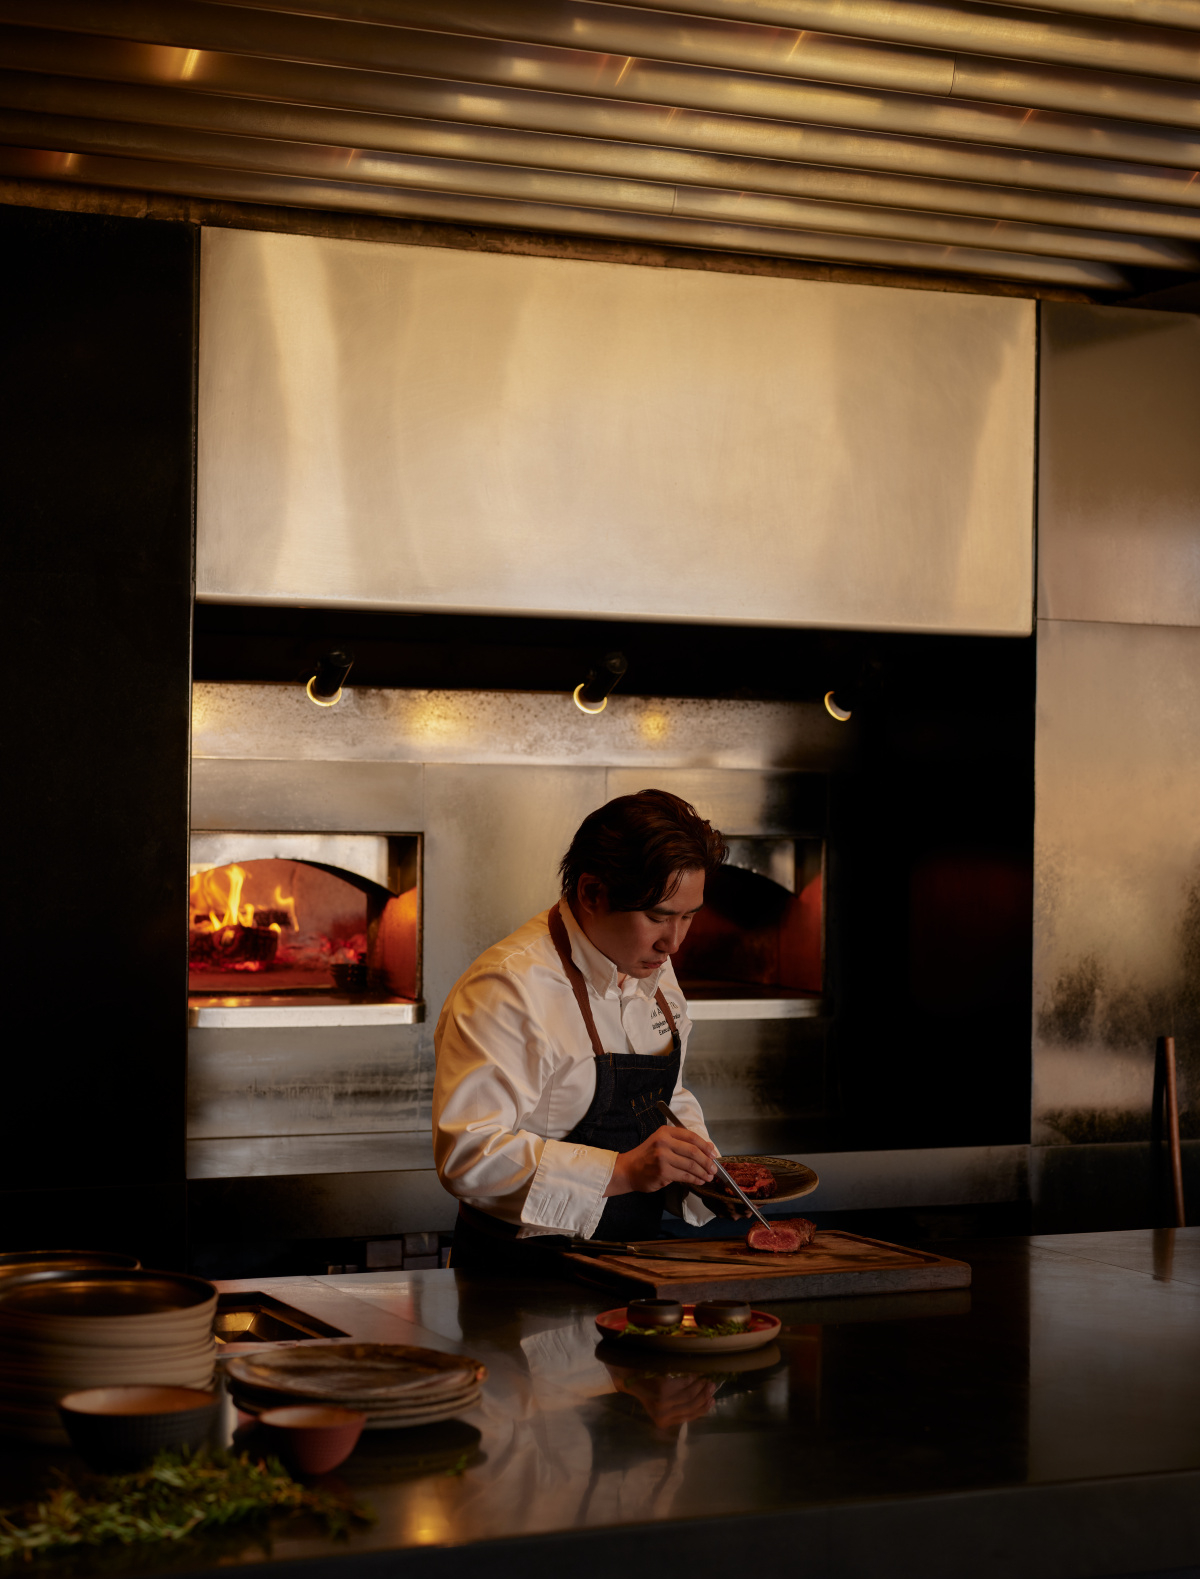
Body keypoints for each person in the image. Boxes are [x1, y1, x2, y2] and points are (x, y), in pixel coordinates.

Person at [433, 788, 731, 1271]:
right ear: (592, 893)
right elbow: (468, 1155)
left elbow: (666, 1098)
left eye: (688, 918)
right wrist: (623, 1170)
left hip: (633, 1265)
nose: (673, 941)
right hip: (519, 1278)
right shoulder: (509, 987)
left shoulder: (648, 965)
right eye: (657, 916)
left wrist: (700, 1168)